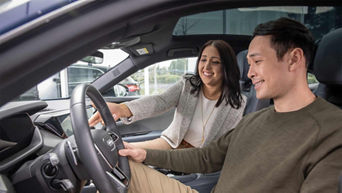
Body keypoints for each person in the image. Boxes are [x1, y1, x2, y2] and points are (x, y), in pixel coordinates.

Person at [118, 17, 342, 193]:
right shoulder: (254, 120)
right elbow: (205, 158)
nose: (250, 72)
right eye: (249, 63)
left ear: (294, 59)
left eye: (258, 61)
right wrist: (144, 155)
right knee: (119, 169)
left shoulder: (333, 132)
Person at [89, 40, 246, 149]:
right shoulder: (188, 85)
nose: (206, 66)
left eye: (215, 62)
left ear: (227, 67)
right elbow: (160, 101)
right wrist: (121, 109)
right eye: (203, 60)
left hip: (200, 160)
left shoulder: (238, 103)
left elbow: (222, 149)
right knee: (119, 154)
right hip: (170, 145)